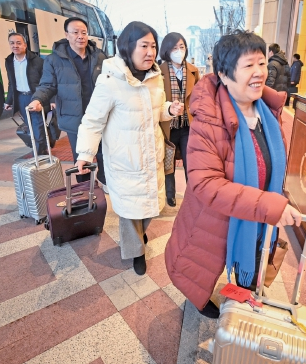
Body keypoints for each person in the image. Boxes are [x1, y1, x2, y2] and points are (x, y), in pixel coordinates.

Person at [164, 30, 302, 319]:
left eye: (262, 63)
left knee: (250, 271)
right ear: (225, 76)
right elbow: (206, 183)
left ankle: (244, 295)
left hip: (255, 216)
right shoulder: (209, 117)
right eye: (248, 65)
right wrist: (271, 206)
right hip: (214, 219)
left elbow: (271, 168)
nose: (259, 73)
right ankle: (202, 300)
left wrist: (277, 201)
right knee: (200, 272)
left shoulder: (268, 110)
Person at [75, 21, 184, 275]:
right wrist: (84, 153)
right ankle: (136, 252)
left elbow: (156, 111)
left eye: (153, 46)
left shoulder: (155, 78)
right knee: (129, 211)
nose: (150, 52)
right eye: (144, 46)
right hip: (125, 159)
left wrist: (169, 110)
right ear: (127, 47)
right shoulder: (110, 80)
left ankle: (138, 238)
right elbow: (93, 120)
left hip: (150, 155)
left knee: (148, 208)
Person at [28, 17, 108, 187]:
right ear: (66, 34)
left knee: (104, 153)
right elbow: (47, 85)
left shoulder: (99, 56)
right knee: (81, 156)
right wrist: (37, 100)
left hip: (99, 115)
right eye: (76, 32)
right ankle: (85, 189)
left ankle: (105, 181)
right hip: (74, 117)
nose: (81, 36)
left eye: (84, 32)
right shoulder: (54, 60)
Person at [159, 32, 200, 207]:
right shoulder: (158, 72)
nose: (179, 51)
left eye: (181, 47)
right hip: (168, 124)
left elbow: (198, 96)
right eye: (175, 48)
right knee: (168, 160)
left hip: (187, 125)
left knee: (191, 161)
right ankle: (170, 194)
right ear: (167, 50)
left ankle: (192, 195)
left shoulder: (193, 70)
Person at [4, 33, 58, 154]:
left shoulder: (37, 61)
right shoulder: (9, 62)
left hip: (36, 98)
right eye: (12, 43)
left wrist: (52, 100)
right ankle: (43, 148)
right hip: (21, 98)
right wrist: (9, 101)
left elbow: (48, 82)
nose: (15, 46)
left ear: (25, 45)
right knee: (31, 127)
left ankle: (38, 155)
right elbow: (11, 83)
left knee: (37, 126)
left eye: (18, 43)